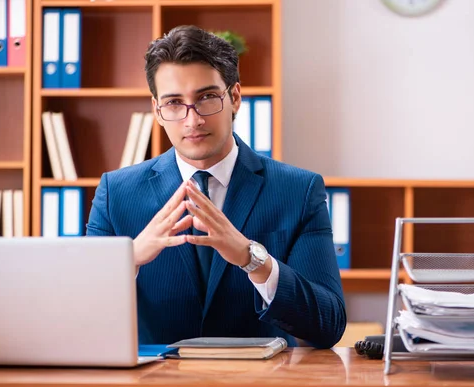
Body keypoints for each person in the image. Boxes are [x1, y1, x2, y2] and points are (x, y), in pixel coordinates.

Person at [86, 25, 346, 349]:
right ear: (157, 110)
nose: (192, 120)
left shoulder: (299, 190)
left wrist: (253, 259)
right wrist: (130, 258)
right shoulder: (116, 194)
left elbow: (329, 325)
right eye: (174, 103)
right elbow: (79, 318)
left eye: (207, 97)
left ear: (234, 97)